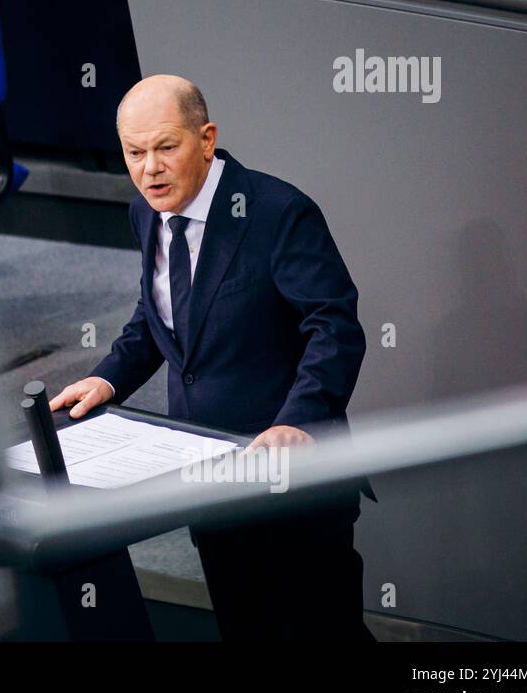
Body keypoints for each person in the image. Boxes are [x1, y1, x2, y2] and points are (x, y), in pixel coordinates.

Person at [50, 75, 375, 641]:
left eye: (165, 147)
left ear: (206, 139)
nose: (149, 168)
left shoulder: (278, 212)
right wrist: (108, 379)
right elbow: (158, 319)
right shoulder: (146, 213)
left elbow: (336, 328)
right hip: (208, 476)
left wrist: (296, 421)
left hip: (295, 485)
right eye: (134, 153)